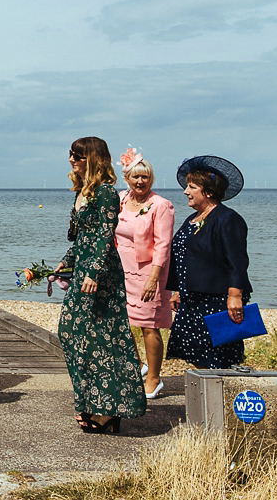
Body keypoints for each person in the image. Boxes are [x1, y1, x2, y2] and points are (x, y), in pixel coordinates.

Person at [58, 137, 145, 434]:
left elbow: (106, 236)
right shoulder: (82, 192)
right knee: (71, 333)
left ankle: (108, 410)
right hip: (83, 269)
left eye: (78, 156)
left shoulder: (106, 193)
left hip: (101, 275)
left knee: (103, 339)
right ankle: (90, 401)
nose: (72, 159)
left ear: (92, 159)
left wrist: (93, 273)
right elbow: (83, 236)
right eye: (71, 155)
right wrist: (65, 262)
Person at [166, 155, 252, 369]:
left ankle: (217, 401)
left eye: (192, 187)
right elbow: (185, 255)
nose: (186, 192)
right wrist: (178, 290)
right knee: (198, 357)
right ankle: (205, 400)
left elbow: (237, 260)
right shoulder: (193, 218)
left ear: (209, 191)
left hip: (216, 302)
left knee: (218, 358)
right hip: (191, 300)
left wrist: (235, 296)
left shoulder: (227, 219)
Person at [114, 150, 174, 399]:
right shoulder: (120, 198)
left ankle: (154, 378)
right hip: (121, 270)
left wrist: (153, 278)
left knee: (149, 327)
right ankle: (138, 366)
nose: (141, 182)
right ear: (127, 178)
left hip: (149, 272)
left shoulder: (161, 205)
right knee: (122, 322)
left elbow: (163, 244)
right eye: (136, 177)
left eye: (145, 177)